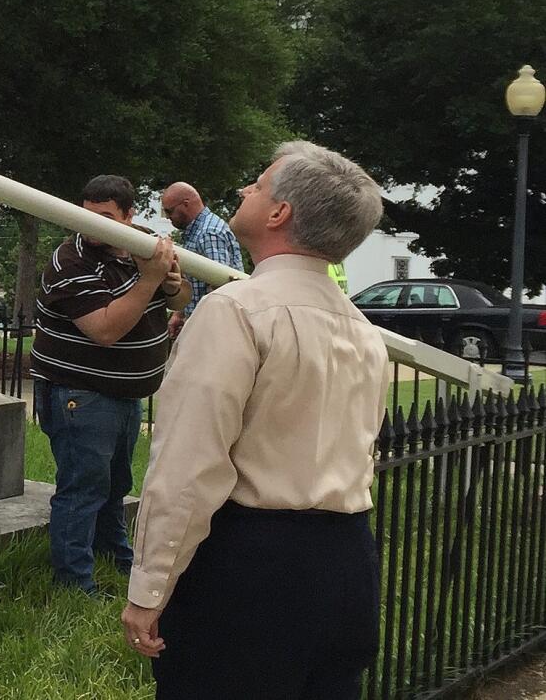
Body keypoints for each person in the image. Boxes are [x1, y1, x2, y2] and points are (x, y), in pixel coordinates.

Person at [122, 141, 389, 700]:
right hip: (348, 564)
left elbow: (189, 467)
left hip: (251, 570)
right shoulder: (365, 331)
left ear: (279, 213)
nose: (245, 189)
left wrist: (149, 588)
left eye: (259, 183)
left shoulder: (236, 311)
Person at [31, 174, 189, 594]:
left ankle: (113, 554)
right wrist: (151, 280)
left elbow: (180, 297)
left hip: (123, 394)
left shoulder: (146, 245)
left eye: (105, 218)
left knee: (115, 484)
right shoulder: (71, 262)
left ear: (128, 215)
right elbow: (104, 330)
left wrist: (171, 284)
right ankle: (73, 581)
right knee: (82, 489)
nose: (94, 226)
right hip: (80, 394)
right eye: (87, 216)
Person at [159, 182, 243, 328]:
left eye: (169, 211)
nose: (167, 217)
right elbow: (197, 283)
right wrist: (179, 314)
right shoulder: (198, 230)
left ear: (186, 204)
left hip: (211, 325)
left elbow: (220, 284)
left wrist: (200, 327)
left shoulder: (208, 233)